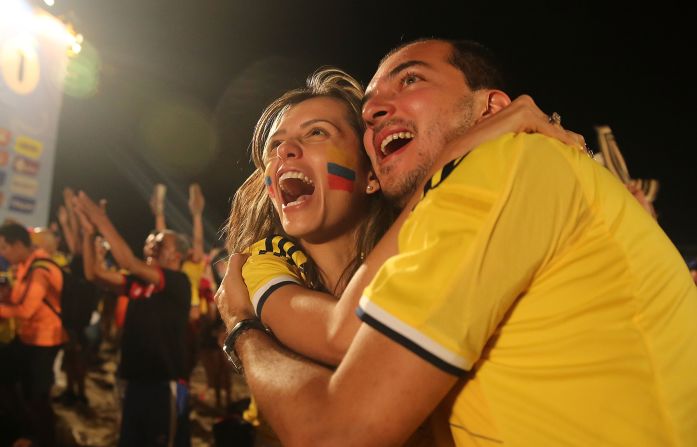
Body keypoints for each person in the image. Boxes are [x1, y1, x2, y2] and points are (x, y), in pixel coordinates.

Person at [216, 38, 697, 446]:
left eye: (410, 80)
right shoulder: (266, 262)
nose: (285, 153)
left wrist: (242, 327)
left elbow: (342, 417)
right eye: (274, 147)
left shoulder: (502, 168)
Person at [73, 192, 192, 447]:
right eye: (153, 241)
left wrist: (101, 220)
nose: (154, 244)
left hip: (164, 382)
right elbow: (94, 274)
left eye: (162, 242)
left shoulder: (178, 282)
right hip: (131, 378)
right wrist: (88, 231)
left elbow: (128, 260)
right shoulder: (138, 282)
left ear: (177, 256)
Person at [0, 222, 64, 447]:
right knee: (9, 377)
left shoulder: (40, 270)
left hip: (44, 341)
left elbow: (26, 309)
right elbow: (16, 300)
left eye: (5, 248)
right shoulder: (26, 266)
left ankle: (43, 439)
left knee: (37, 397)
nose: (2, 253)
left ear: (18, 245)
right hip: (28, 338)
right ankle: (24, 431)